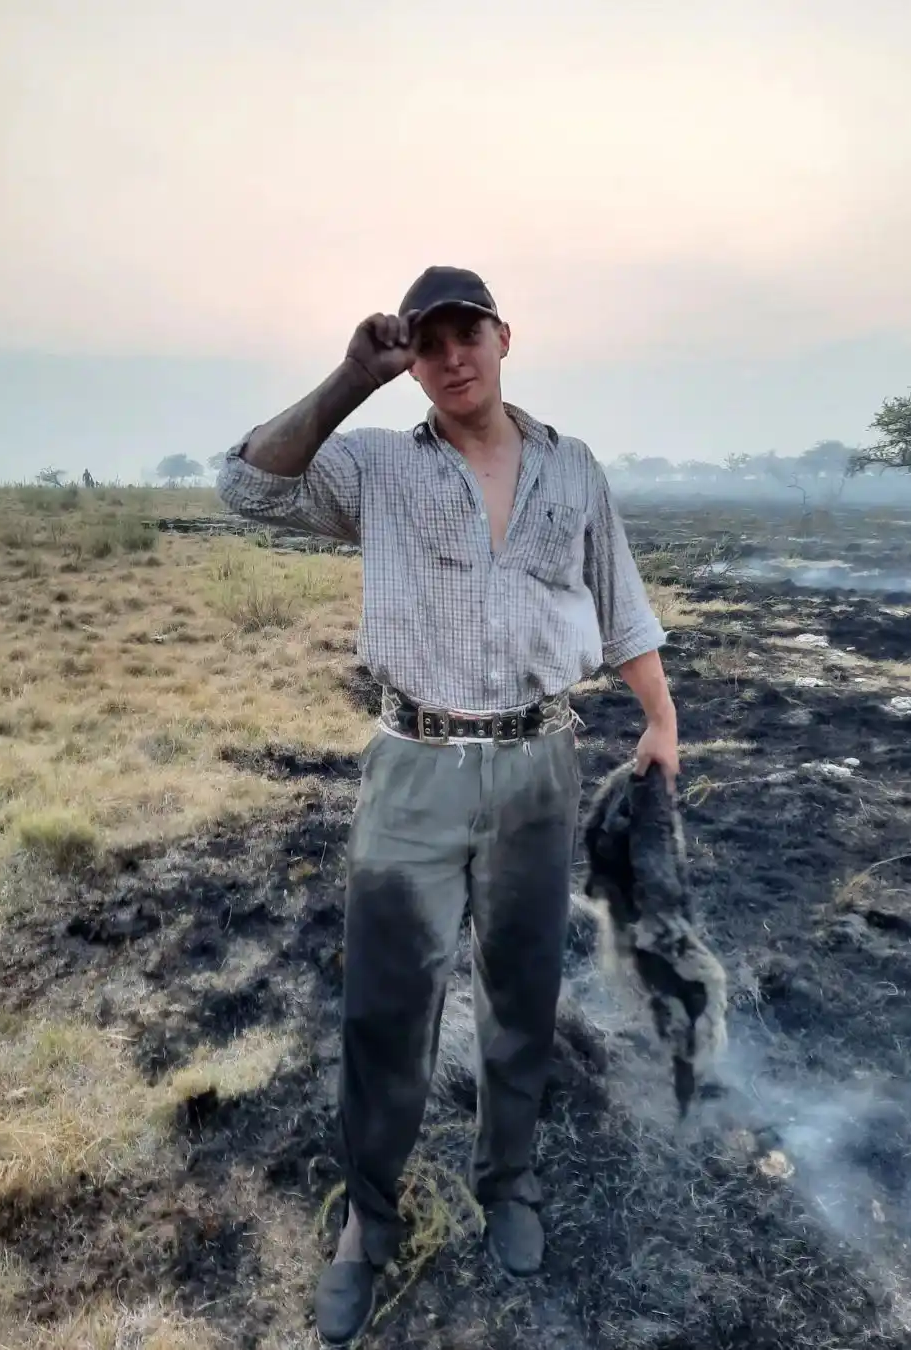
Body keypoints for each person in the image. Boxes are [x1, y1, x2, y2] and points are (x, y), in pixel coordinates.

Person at [216, 265, 679, 1345]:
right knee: (386, 1007)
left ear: (504, 335)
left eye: (467, 332)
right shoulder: (376, 466)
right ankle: (367, 1225)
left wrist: (658, 715)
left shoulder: (574, 468)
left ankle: (506, 1179)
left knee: (521, 993)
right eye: (427, 343)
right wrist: (348, 380)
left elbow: (620, 602)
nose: (452, 355)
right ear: (410, 360)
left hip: (538, 768)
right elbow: (244, 487)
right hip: (415, 766)